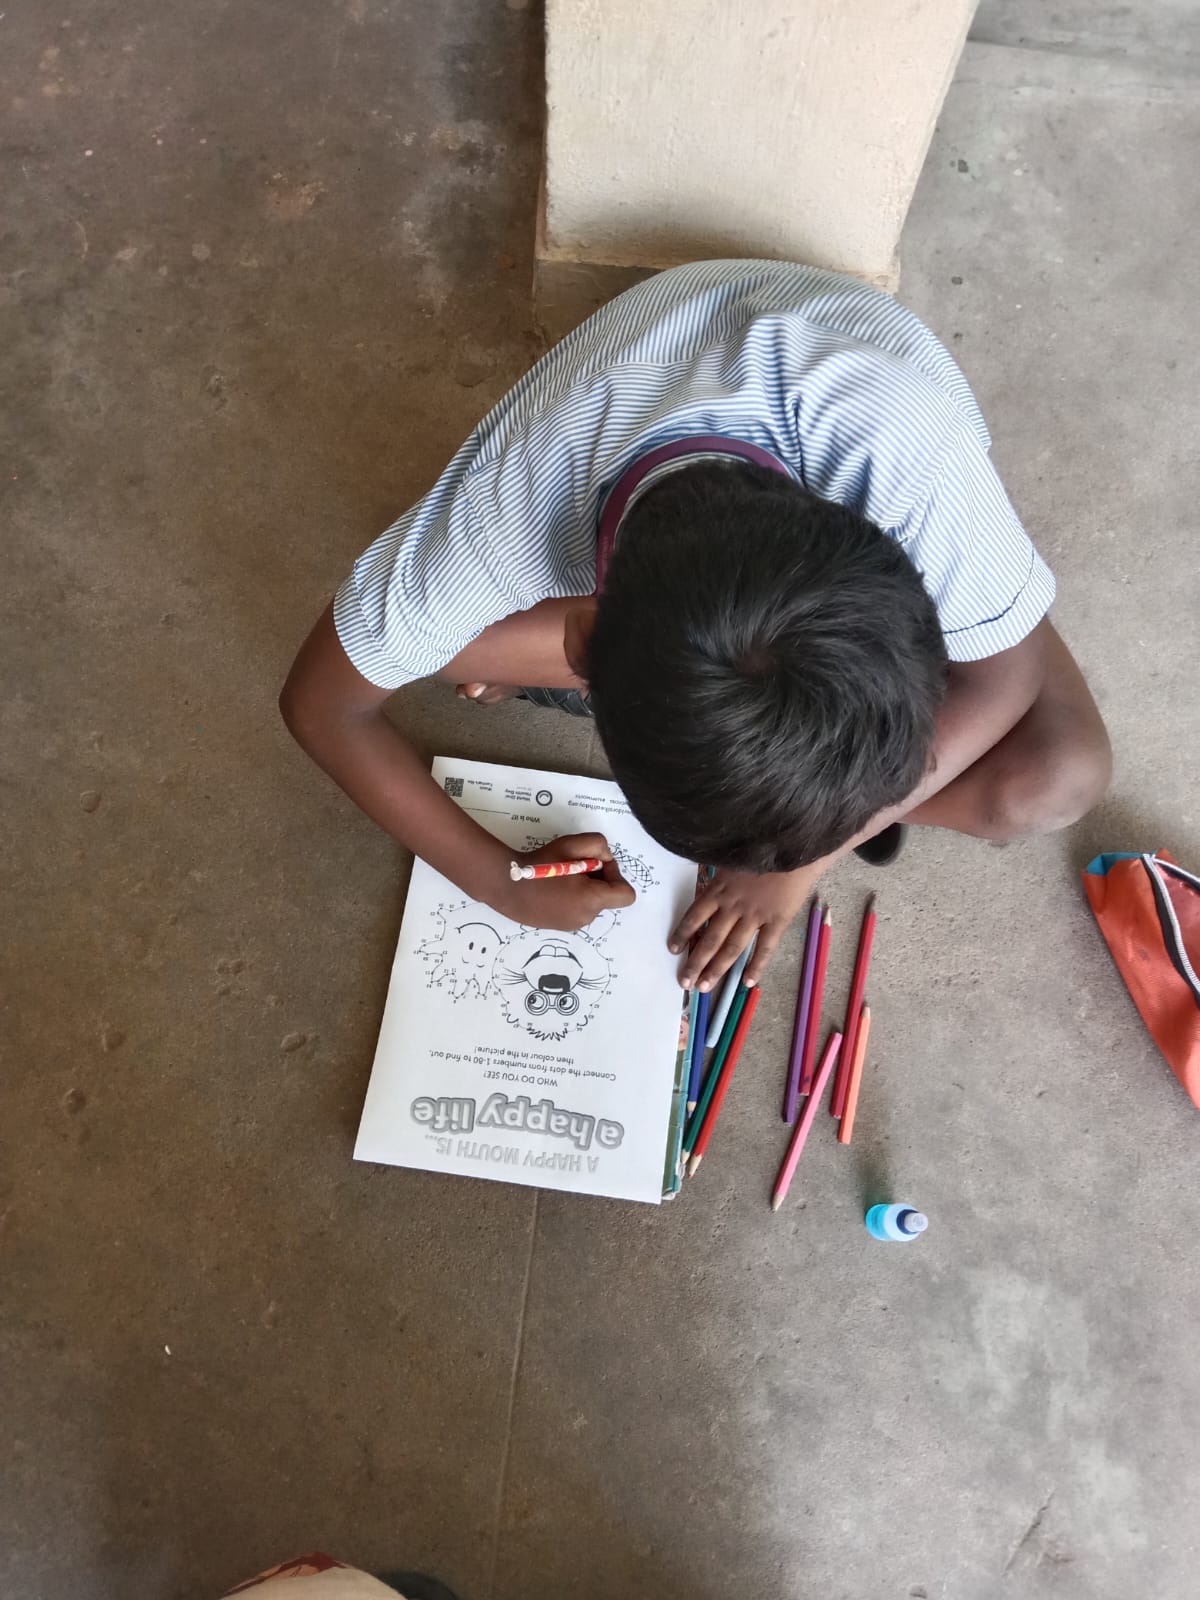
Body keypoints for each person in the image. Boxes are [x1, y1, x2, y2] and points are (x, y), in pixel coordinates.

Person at [281, 259, 1110, 994]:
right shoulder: (500, 519)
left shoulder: (910, 457)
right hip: (625, 447)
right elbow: (322, 704)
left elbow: (1006, 679)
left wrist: (800, 864)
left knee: (1062, 776)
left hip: (834, 371)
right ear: (579, 644)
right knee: (442, 647)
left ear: (899, 570)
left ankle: (598, 691)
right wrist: (500, 882)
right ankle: (548, 669)